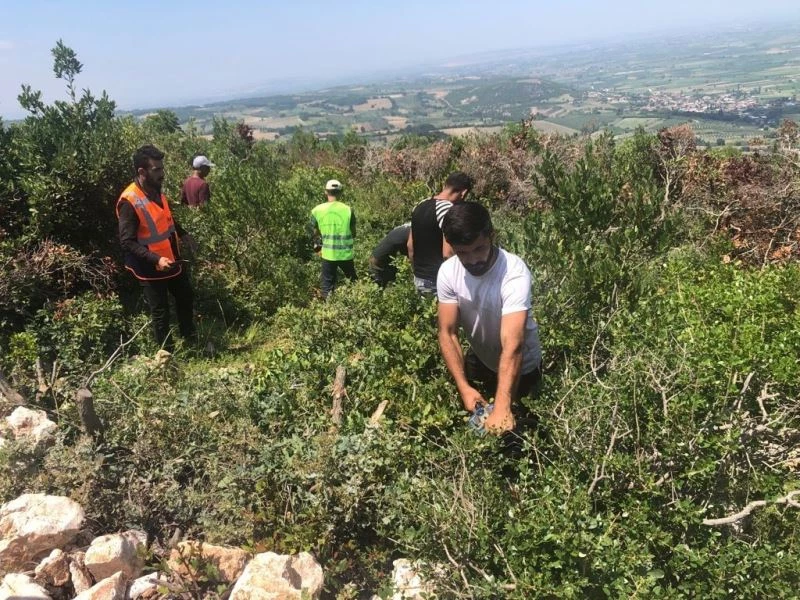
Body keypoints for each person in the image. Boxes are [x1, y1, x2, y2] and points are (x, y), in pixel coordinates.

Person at [436, 201, 542, 435]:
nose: (473, 260)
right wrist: (464, 387)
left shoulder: (513, 273)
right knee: (479, 423)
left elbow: (513, 345)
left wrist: (503, 407)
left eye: (479, 249)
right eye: (463, 253)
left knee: (519, 434)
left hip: (522, 367)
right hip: (482, 358)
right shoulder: (448, 272)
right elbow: (447, 332)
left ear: (491, 235)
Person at [117, 144, 198, 350]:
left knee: (185, 296)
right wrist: (156, 259)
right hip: (149, 266)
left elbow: (165, 218)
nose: (162, 174)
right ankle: (166, 355)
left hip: (171, 259)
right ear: (142, 172)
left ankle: (190, 341)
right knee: (161, 312)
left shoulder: (155, 190)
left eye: (162, 168)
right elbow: (127, 242)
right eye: (157, 169)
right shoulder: (130, 201)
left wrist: (183, 234)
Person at [408, 171, 473, 296]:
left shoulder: (419, 205)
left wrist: (416, 271)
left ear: (445, 185)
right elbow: (448, 254)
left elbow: (410, 245)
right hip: (437, 280)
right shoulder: (448, 210)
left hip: (419, 278)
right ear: (463, 193)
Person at [309, 179, 357, 298]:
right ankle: (357, 302)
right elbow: (353, 233)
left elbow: (314, 233)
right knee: (353, 281)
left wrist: (317, 248)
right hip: (345, 254)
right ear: (341, 192)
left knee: (327, 286)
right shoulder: (348, 210)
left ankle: (328, 306)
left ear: (326, 192)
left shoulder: (317, 210)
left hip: (328, 253)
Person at [369, 223, 410, 287]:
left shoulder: (405, 227)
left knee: (393, 281)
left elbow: (403, 249)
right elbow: (410, 252)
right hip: (378, 262)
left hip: (378, 258)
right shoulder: (412, 232)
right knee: (379, 287)